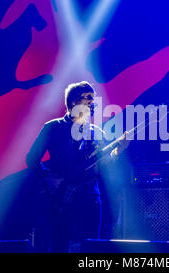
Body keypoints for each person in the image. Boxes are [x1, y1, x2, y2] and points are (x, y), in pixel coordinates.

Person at [26, 81, 129, 252]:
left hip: (89, 197)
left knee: (91, 245)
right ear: (73, 102)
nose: (92, 102)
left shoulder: (96, 132)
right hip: (60, 197)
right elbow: (32, 159)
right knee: (60, 243)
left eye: (93, 99)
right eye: (88, 98)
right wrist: (49, 180)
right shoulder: (53, 127)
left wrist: (117, 152)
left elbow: (102, 164)